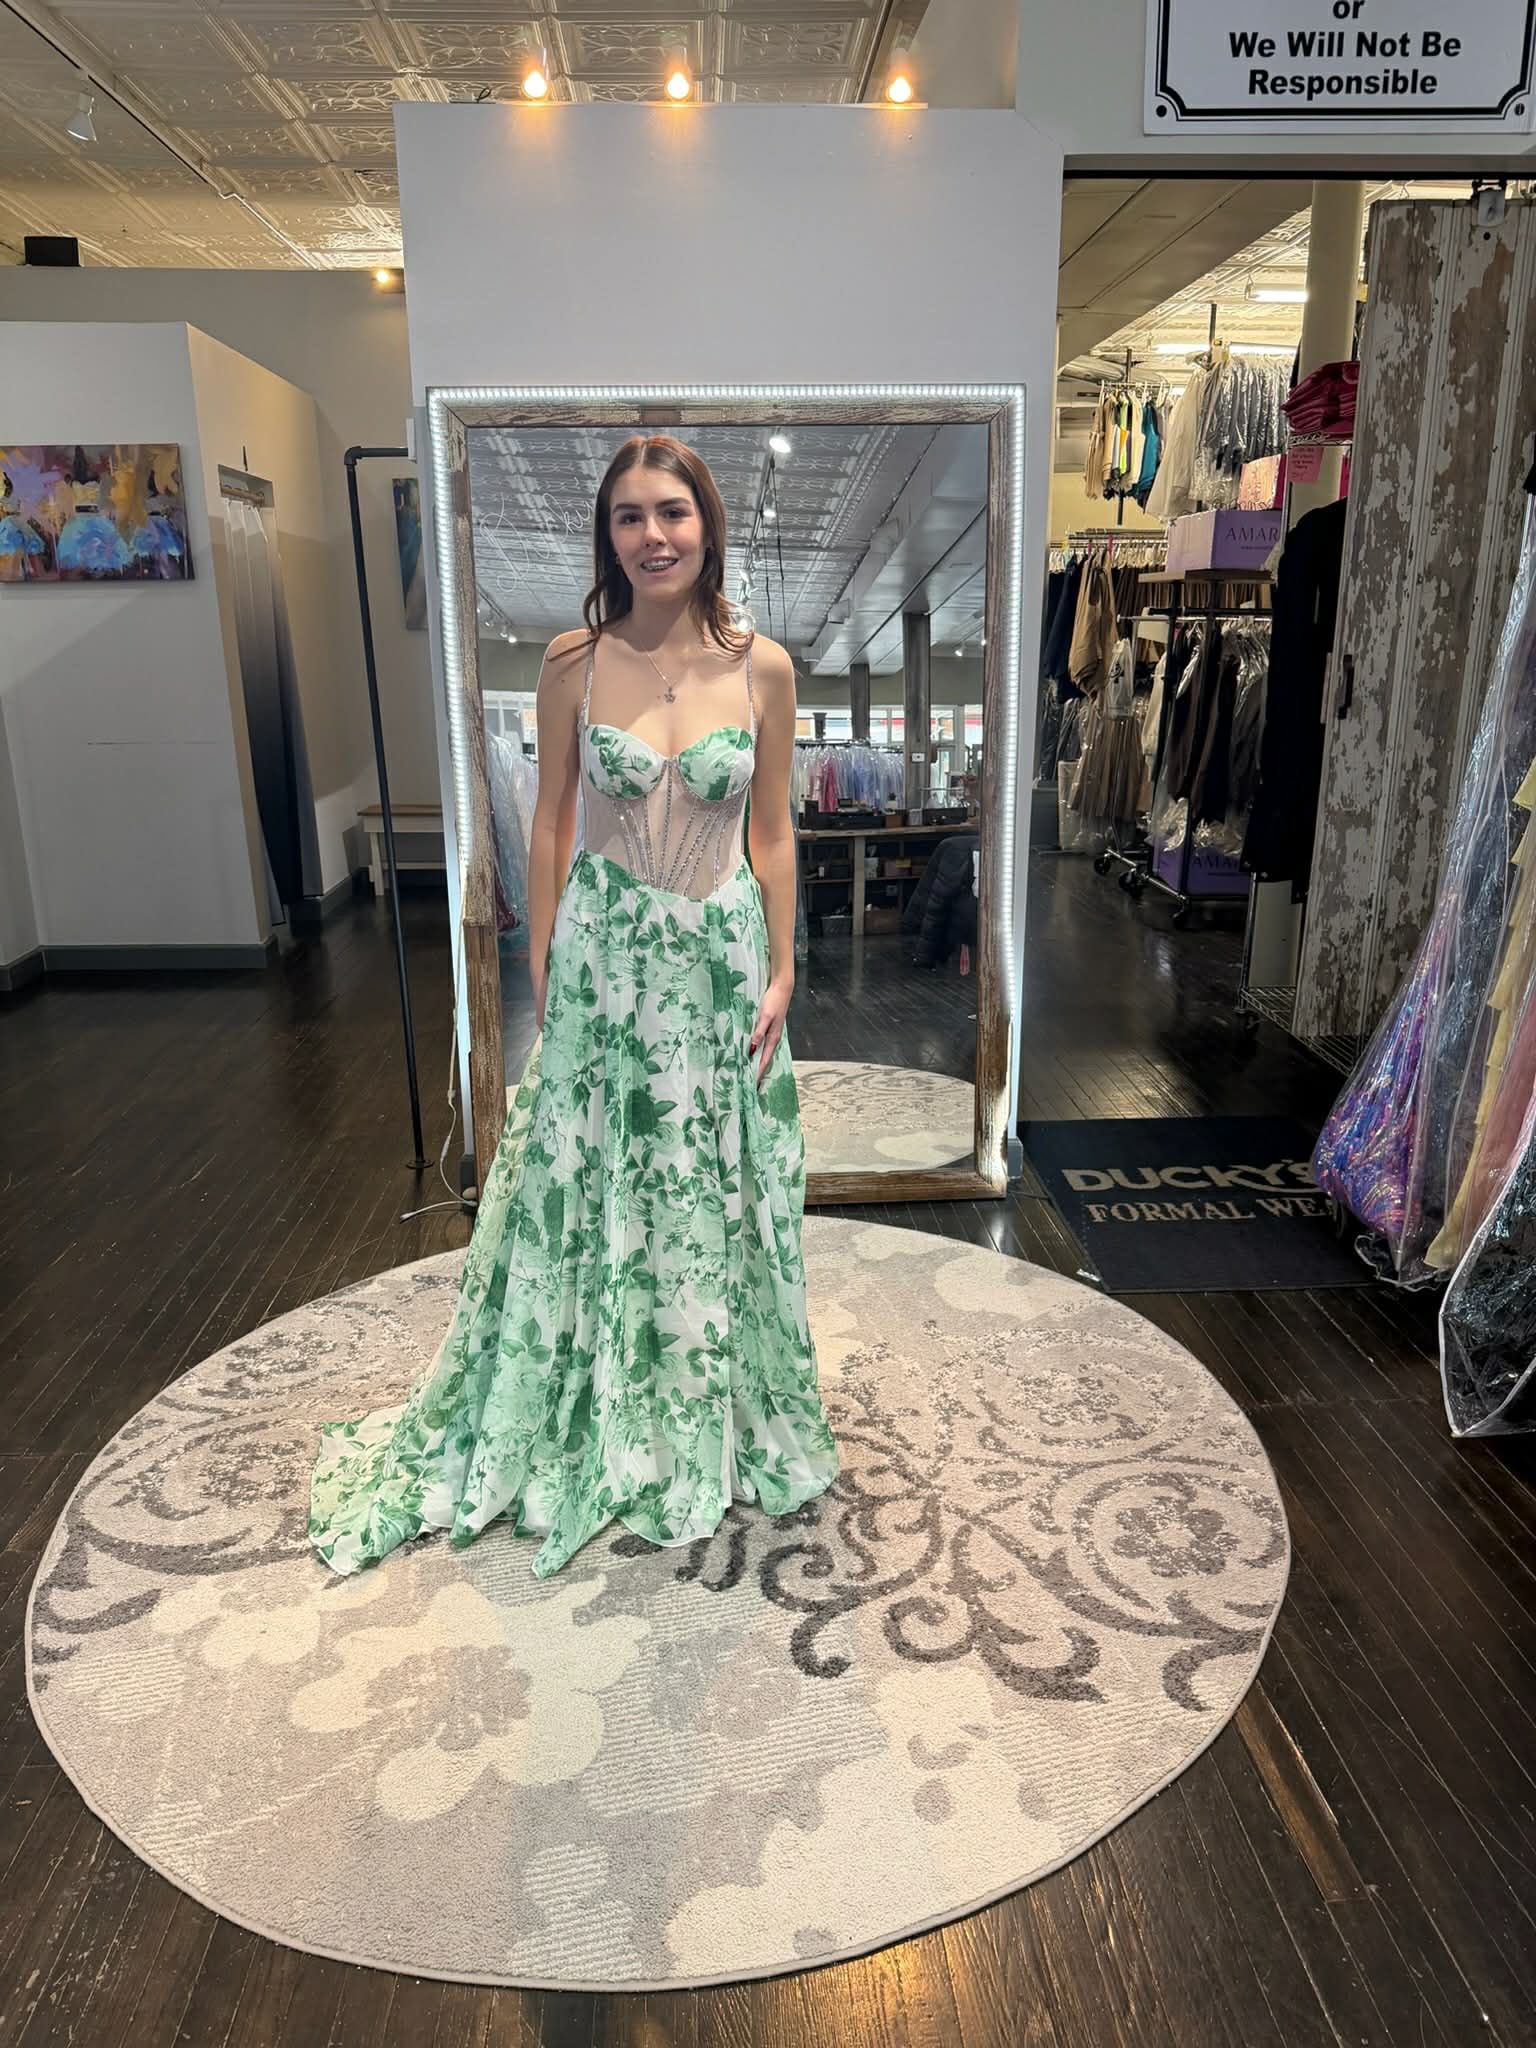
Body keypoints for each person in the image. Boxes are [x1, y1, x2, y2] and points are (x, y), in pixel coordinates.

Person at [308, 435, 840, 1580]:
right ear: (607, 536)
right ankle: (592, 1398)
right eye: (629, 517)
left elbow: (776, 831)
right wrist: (544, 955)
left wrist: (786, 966)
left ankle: (707, 1407)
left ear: (708, 524)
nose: (652, 536)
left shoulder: (765, 668)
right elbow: (549, 818)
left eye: (673, 512)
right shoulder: (572, 662)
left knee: (709, 1181)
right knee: (591, 1176)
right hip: (608, 959)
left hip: (717, 960)